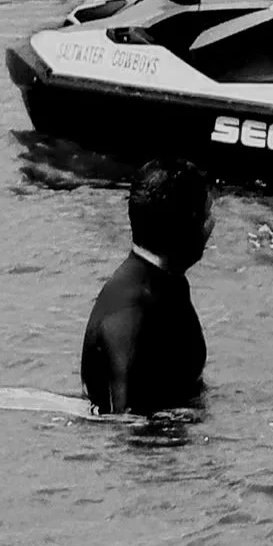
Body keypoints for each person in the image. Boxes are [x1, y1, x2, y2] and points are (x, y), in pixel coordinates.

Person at [80, 160, 212, 416]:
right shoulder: (130, 318)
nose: (211, 227)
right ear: (185, 225)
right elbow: (126, 430)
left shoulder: (164, 282)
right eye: (206, 216)